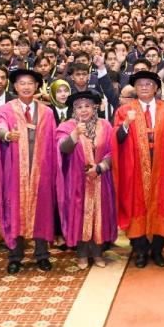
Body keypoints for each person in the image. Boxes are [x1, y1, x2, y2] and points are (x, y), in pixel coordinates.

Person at [113, 70, 164, 268]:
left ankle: (157, 250)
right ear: (135, 88)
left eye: (149, 84)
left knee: (161, 206)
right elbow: (117, 139)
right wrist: (126, 123)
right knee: (137, 207)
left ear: (156, 88)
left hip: (161, 168)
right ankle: (140, 251)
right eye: (140, 84)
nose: (144, 87)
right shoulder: (125, 111)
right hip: (135, 169)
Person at [0, 68, 59, 274]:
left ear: (37, 86)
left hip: (42, 171)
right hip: (16, 172)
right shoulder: (6, 110)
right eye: (21, 83)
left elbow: (53, 141)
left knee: (42, 211)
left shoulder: (47, 112)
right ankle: (15, 256)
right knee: (16, 212)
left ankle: (42, 254)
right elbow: (0, 127)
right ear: (14, 86)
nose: (26, 87)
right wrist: (6, 135)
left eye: (30, 83)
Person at [56, 90, 118, 270]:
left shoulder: (105, 125)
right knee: (80, 216)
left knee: (100, 215)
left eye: (87, 106)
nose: (83, 110)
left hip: (100, 179)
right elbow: (62, 149)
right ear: (74, 110)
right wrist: (75, 134)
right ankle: (82, 254)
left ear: (94, 108)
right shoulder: (67, 126)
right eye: (79, 107)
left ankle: (98, 253)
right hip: (77, 181)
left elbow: (112, 151)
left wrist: (100, 167)